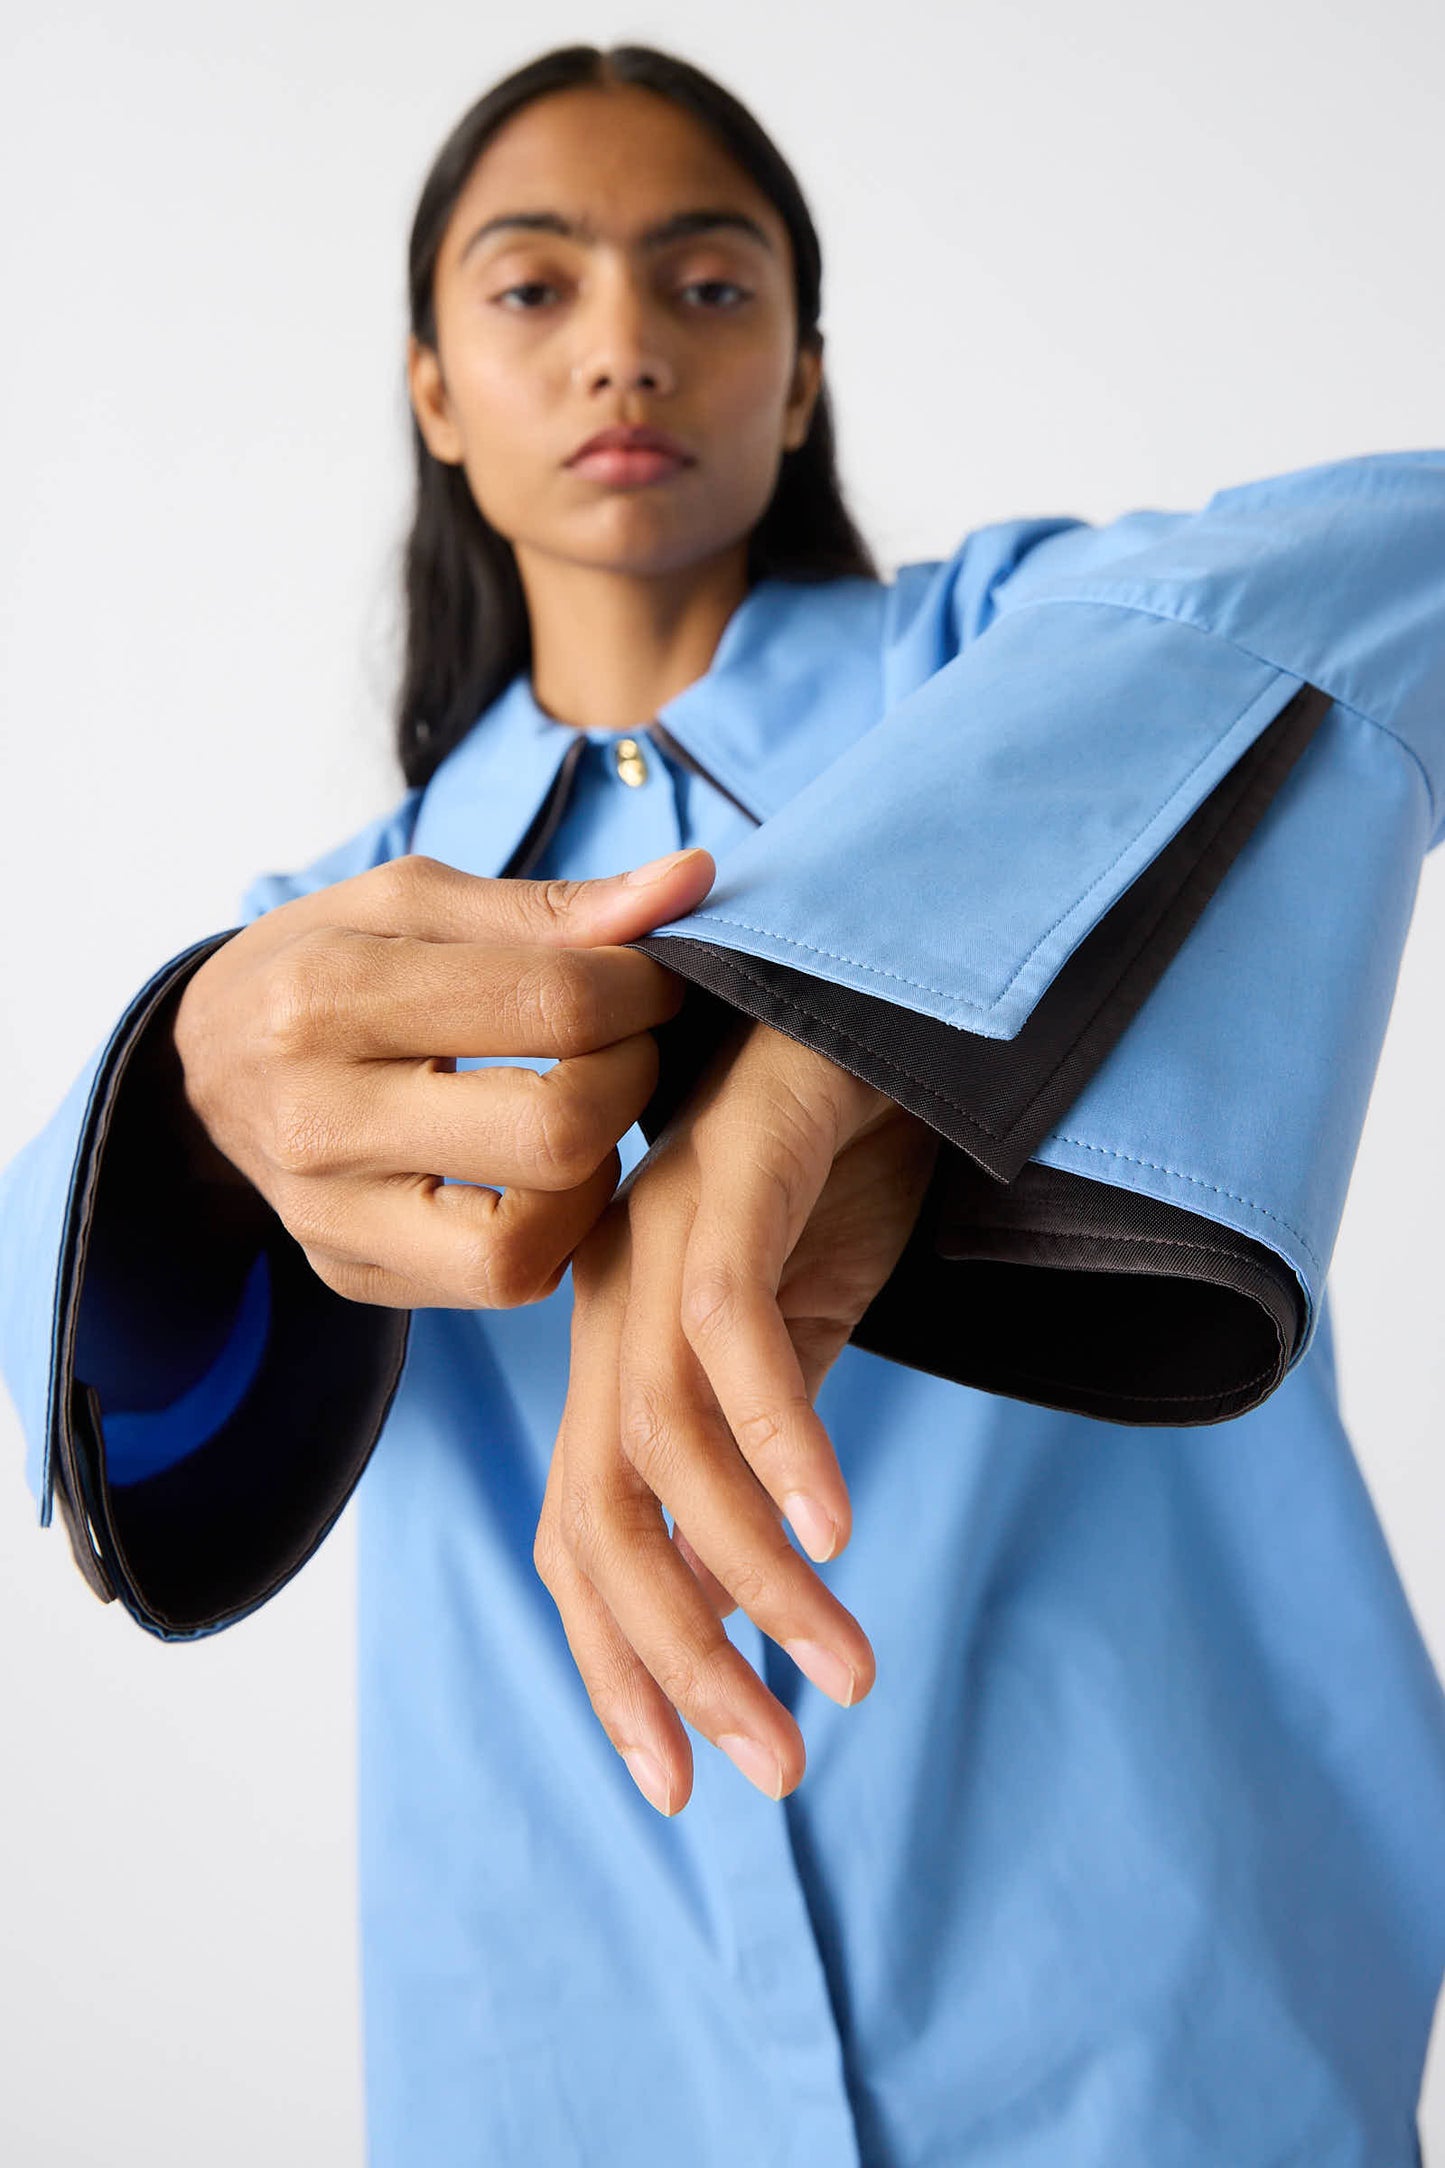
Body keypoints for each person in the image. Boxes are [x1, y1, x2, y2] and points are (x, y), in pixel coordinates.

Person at [3, 38, 1444, 2168]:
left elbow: (1410, 563)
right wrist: (191, 1089)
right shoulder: (328, 940)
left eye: (707, 285)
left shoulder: (1034, 663)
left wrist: (854, 1017)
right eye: (531, 289)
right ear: (433, 394)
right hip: (572, 2060)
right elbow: (72, 1378)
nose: (622, 350)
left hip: (1159, 2016)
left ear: (802, 375)